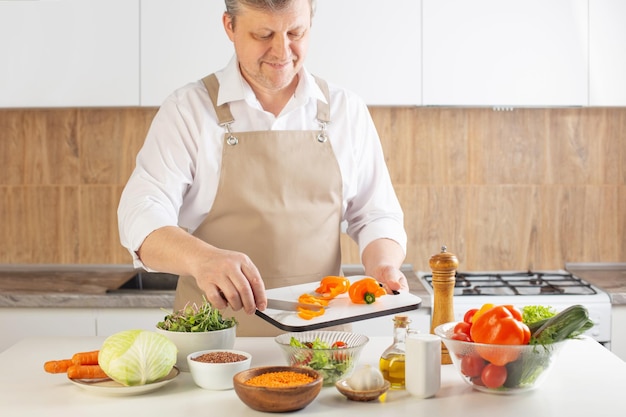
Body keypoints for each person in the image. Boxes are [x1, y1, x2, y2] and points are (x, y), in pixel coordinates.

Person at [117, 0, 408, 336]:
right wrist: (202, 259)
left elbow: (376, 215)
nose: (282, 51)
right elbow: (140, 214)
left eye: (295, 32)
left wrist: (383, 263)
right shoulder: (188, 111)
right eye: (263, 34)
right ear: (230, 26)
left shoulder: (346, 111)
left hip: (321, 348)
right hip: (211, 348)